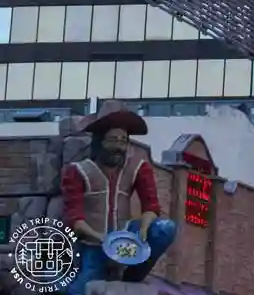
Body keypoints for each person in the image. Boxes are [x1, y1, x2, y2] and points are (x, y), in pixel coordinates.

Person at [60, 110, 177, 294]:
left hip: (126, 237)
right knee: (80, 289)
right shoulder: (78, 171)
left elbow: (151, 205)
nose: (119, 146)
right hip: (94, 242)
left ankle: (131, 273)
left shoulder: (138, 168)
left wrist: (144, 229)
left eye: (123, 141)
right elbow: (75, 221)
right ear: (100, 142)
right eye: (113, 140)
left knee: (165, 228)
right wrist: (104, 241)